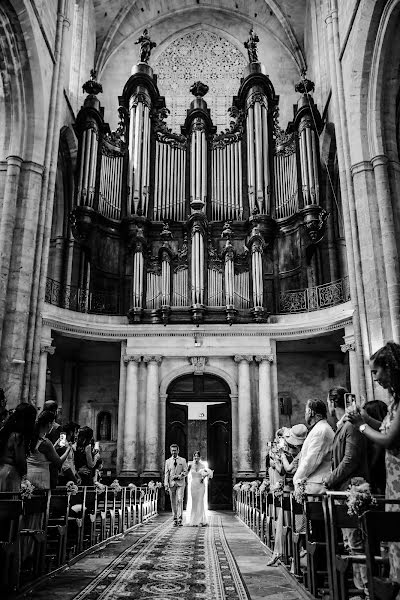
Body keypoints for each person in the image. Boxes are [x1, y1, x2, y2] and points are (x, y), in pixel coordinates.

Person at [347, 341, 400, 593]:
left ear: (390, 368)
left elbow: (390, 439)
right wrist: (365, 419)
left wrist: (360, 427)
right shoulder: (393, 403)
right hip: (394, 478)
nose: (375, 378)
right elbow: (385, 429)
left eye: (376, 372)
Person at [325, 387, 369, 598]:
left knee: (356, 543)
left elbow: (349, 460)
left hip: (351, 490)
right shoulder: (342, 426)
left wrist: (330, 479)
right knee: (351, 544)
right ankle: (361, 589)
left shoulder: (350, 426)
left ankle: (366, 590)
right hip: (343, 491)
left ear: (333, 403)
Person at [267, 424, 307, 566]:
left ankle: (293, 556)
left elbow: (287, 470)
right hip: (290, 491)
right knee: (287, 524)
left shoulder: (299, 453)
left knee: (295, 525)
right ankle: (287, 554)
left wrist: (280, 457)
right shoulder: (296, 453)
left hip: (294, 492)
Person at [293, 398, 334, 494]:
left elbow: (312, 460)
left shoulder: (321, 430)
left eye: (306, 411)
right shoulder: (319, 428)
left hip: (317, 486)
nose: (305, 414)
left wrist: (297, 479)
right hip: (313, 484)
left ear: (311, 412)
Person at [27, 410, 71, 489]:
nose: (53, 426)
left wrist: (54, 447)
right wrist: (68, 449)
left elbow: (41, 455)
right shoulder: (45, 442)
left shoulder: (31, 437)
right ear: (49, 424)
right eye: (53, 423)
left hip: (29, 474)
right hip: (40, 477)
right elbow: (58, 462)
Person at [0, 403, 36, 491]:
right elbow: (20, 459)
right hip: (11, 473)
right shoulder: (17, 436)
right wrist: (25, 475)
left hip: (2, 469)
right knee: (10, 502)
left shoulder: (6, 431)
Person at [186, 451, 213, 527]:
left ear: (200, 457)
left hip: (201, 485)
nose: (196, 458)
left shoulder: (203, 465)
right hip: (193, 484)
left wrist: (204, 477)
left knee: (200, 501)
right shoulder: (190, 465)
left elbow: (205, 474)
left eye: (197, 456)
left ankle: (200, 520)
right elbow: (186, 474)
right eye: (195, 456)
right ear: (193, 457)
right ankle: (193, 520)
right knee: (194, 502)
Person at [164, 443, 188, 526]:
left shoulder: (183, 460)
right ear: (170, 451)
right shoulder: (167, 461)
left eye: (175, 450)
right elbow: (166, 474)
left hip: (180, 483)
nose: (174, 452)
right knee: (173, 501)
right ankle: (175, 518)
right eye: (172, 451)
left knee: (180, 500)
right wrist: (166, 484)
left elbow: (186, 471)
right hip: (171, 484)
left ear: (178, 451)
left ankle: (180, 518)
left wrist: (180, 476)